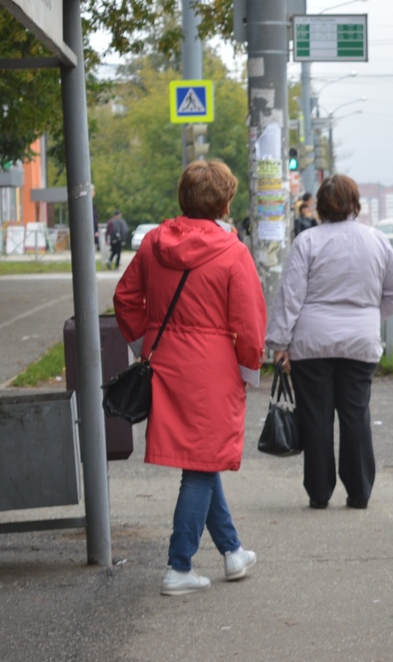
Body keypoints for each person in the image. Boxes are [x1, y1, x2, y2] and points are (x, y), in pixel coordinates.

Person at [113, 160, 266, 596]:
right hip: (212, 369)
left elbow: (125, 298)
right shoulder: (233, 251)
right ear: (224, 202)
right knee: (201, 465)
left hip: (165, 363)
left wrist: (143, 342)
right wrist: (249, 366)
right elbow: (249, 322)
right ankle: (179, 566)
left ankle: (232, 551)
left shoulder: (153, 243)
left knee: (201, 458)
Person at [267, 174, 393, 510]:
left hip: (312, 342)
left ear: (320, 207)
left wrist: (280, 343)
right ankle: (359, 491)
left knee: (315, 417)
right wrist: (372, 315)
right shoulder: (376, 240)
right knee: (355, 414)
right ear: (355, 204)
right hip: (360, 342)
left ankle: (319, 492)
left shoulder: (307, 242)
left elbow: (290, 297)